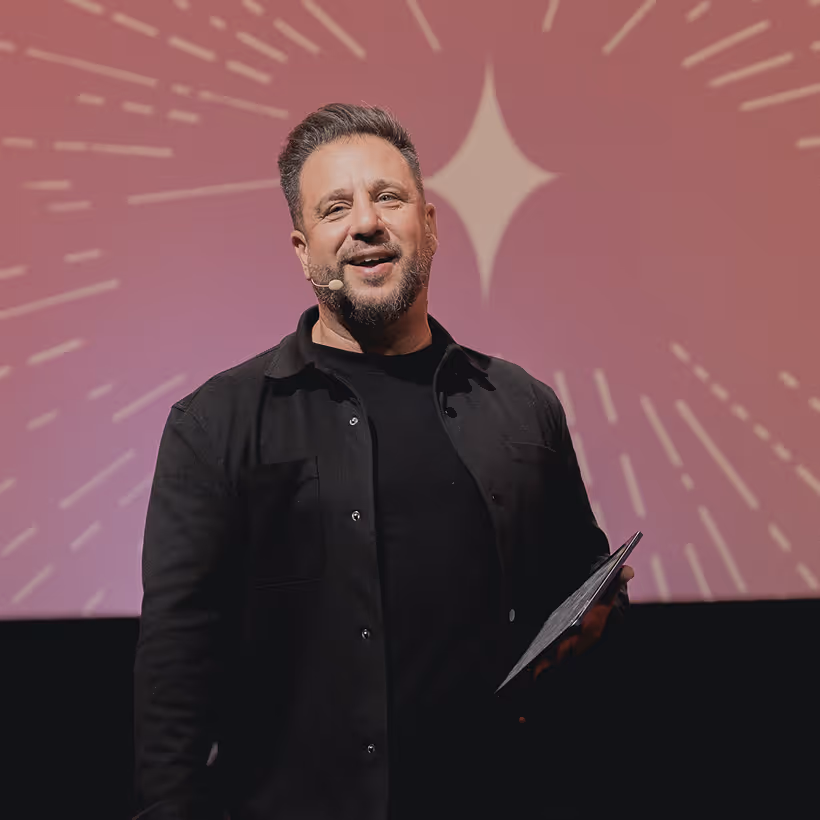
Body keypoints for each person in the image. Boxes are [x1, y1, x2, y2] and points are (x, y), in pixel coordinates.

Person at [133, 103, 632, 820]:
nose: (366, 223)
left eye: (388, 198)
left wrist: (598, 615)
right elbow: (175, 671)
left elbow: (580, 602)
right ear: (303, 249)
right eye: (336, 208)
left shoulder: (522, 406)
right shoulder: (215, 424)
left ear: (429, 225)